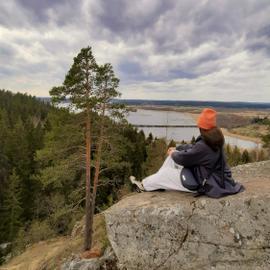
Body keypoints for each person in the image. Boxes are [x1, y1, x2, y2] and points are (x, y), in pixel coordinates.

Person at [130, 108, 244, 197]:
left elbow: (184, 158)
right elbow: (193, 148)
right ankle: (156, 183)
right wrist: (177, 149)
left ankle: (143, 186)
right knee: (171, 158)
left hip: (206, 183)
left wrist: (173, 153)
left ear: (201, 127)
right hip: (211, 177)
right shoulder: (214, 140)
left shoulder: (204, 146)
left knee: (166, 173)